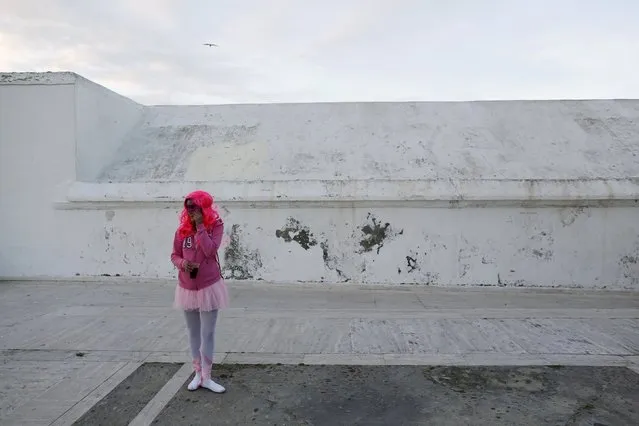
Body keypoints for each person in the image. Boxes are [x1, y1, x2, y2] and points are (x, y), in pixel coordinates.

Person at [171, 190, 229, 393]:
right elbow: (174, 255)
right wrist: (183, 263)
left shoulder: (216, 226)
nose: (191, 211)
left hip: (208, 286)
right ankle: (197, 374)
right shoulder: (181, 231)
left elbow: (210, 250)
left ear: (203, 207)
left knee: (208, 332)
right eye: (188, 207)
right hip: (187, 287)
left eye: (195, 207)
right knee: (193, 332)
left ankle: (207, 376)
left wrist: (200, 227)